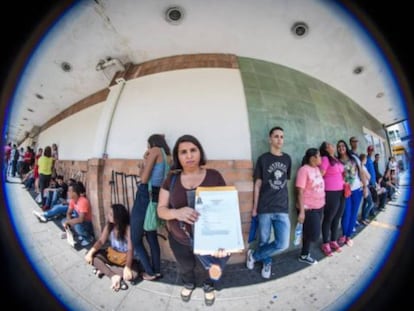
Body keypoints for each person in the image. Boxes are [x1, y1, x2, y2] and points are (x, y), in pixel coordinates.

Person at [157, 134, 230, 306]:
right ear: (178, 156)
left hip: (209, 239)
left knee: (209, 267)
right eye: (183, 152)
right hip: (180, 238)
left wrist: (223, 241)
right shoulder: (171, 179)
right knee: (185, 265)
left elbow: (225, 210)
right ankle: (188, 283)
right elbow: (161, 210)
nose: (189, 155)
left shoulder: (214, 176)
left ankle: (208, 286)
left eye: (193, 150)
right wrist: (176, 213)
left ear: (200, 152)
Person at [246, 126, 292, 279]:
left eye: (282, 137)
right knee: (264, 240)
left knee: (283, 243)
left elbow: (285, 183)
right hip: (264, 207)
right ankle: (266, 261)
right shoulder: (263, 159)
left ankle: (254, 256)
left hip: (282, 208)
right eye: (276, 136)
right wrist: (254, 208)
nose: (279, 139)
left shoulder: (287, 159)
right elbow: (258, 184)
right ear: (270, 139)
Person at [130, 134, 171, 281]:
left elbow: (143, 179)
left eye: (148, 144)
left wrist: (145, 158)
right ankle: (157, 270)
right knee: (151, 234)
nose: (147, 148)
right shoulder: (168, 156)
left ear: (151, 143)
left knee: (135, 239)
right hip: (157, 196)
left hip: (144, 196)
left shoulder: (154, 151)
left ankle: (150, 272)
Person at [84, 204, 139, 292]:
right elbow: (101, 241)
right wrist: (90, 253)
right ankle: (113, 275)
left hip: (125, 259)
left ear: (118, 217)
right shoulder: (109, 226)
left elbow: (130, 249)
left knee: (133, 275)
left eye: (110, 214)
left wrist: (128, 267)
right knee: (89, 254)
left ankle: (104, 269)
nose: (107, 215)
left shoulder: (128, 229)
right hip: (112, 255)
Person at [295, 148, 325, 265]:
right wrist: (302, 211)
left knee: (309, 233)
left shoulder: (316, 169)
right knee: (313, 235)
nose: (321, 158)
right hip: (308, 208)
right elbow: (300, 191)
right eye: (319, 156)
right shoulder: (303, 170)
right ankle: (304, 253)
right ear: (313, 158)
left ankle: (304, 254)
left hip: (319, 206)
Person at [336, 140, 366, 247]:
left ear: (346, 147)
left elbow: (361, 173)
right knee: (346, 214)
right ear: (337, 149)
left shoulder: (354, 158)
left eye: (343, 145)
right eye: (339, 146)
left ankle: (348, 237)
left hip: (357, 190)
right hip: (345, 191)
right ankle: (344, 235)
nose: (341, 148)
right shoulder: (337, 161)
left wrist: (365, 187)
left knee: (354, 213)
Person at [319, 141, 345, 256]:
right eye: (330, 145)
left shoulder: (337, 159)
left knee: (337, 216)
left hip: (341, 191)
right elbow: (320, 174)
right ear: (326, 148)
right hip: (331, 192)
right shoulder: (325, 159)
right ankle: (325, 243)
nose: (333, 145)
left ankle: (333, 240)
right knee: (329, 218)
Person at [61, 181, 94, 247]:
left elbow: (81, 219)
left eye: (69, 191)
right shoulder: (72, 200)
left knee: (77, 226)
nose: (67, 193)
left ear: (75, 193)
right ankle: (73, 233)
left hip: (87, 223)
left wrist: (69, 222)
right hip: (79, 220)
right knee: (63, 221)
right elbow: (68, 213)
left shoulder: (83, 201)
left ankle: (89, 238)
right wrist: (68, 223)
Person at [359, 153, 374, 225]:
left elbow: (368, 176)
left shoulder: (362, 167)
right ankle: (364, 218)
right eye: (365, 159)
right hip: (365, 187)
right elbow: (369, 177)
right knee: (370, 203)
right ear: (363, 160)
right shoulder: (362, 168)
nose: (366, 160)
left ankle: (363, 218)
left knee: (365, 203)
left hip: (365, 186)